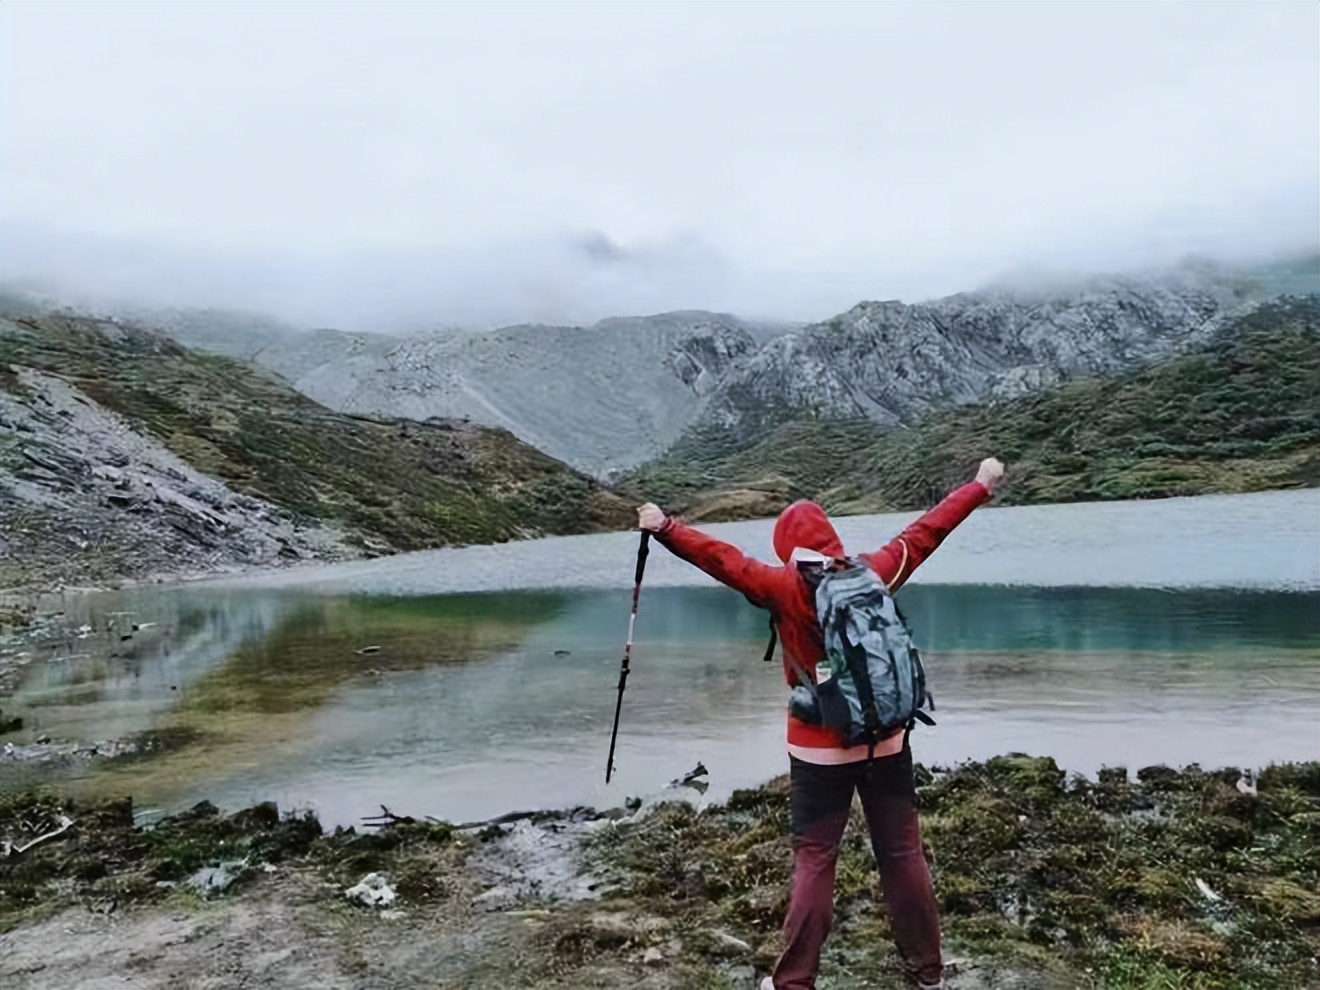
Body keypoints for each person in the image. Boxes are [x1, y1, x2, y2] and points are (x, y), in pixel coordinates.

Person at [636, 457, 1005, 990]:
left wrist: (666, 527)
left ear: (787, 546)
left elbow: (720, 559)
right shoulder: (874, 570)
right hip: (886, 737)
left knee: (815, 860)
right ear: (831, 537)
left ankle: (794, 983)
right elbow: (927, 531)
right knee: (902, 854)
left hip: (818, 748)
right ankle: (927, 973)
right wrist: (980, 485)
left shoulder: (779, 585)